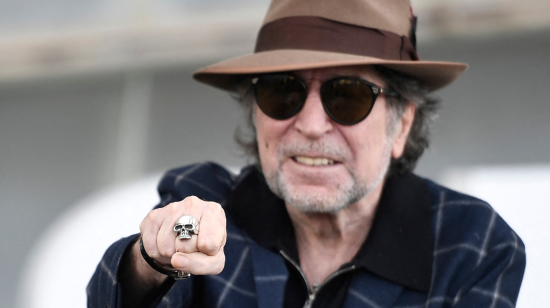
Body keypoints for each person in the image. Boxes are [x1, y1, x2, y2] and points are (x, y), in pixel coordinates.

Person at [88, 0, 526, 307]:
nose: (312, 125)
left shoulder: (471, 244)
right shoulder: (204, 198)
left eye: (349, 96)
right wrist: (155, 259)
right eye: (282, 92)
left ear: (402, 123)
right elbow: (119, 294)